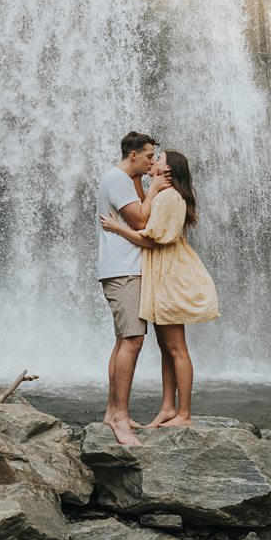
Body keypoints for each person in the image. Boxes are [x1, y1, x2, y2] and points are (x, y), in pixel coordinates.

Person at [101, 149, 219, 428]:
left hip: (171, 276)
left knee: (177, 348)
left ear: (168, 170)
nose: (153, 161)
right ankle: (168, 408)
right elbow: (145, 215)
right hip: (161, 275)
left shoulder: (169, 197)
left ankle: (184, 414)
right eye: (152, 157)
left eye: (159, 159)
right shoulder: (163, 195)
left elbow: (151, 238)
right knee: (167, 348)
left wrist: (117, 229)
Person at [97, 131, 171, 445]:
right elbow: (142, 222)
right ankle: (119, 419)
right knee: (133, 341)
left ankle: (113, 412)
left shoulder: (128, 180)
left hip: (124, 268)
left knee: (122, 342)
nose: (153, 161)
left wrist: (146, 186)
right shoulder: (117, 179)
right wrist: (154, 187)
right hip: (123, 271)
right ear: (133, 156)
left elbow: (146, 215)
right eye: (149, 156)